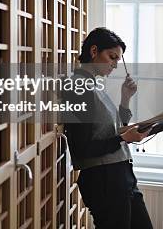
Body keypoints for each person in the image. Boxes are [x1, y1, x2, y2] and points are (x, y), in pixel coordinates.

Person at [64, 27, 154, 229]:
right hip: (103, 180)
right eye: (112, 57)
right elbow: (83, 149)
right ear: (94, 51)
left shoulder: (94, 85)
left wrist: (125, 99)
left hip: (121, 175)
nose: (115, 65)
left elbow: (111, 129)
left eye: (117, 59)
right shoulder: (78, 89)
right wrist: (124, 139)